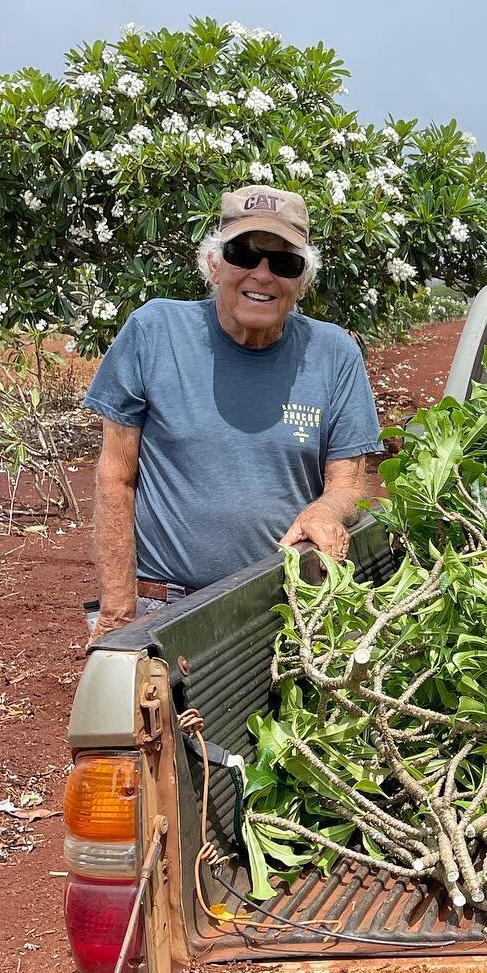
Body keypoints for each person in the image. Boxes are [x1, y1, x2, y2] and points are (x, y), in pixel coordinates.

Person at [83, 185, 381, 643]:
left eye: (284, 262)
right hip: (162, 607)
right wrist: (118, 615)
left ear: (302, 281)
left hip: (283, 607)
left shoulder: (334, 353)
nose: (262, 274)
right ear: (214, 263)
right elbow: (115, 476)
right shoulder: (153, 332)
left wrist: (326, 510)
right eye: (244, 254)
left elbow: (350, 485)